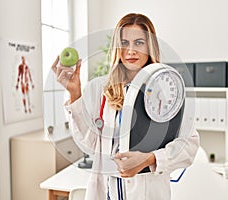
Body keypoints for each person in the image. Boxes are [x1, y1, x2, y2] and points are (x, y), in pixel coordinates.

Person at [52, 13, 199, 200]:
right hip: (107, 192)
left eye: (139, 43)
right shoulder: (99, 88)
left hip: (148, 191)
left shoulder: (167, 89)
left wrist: (151, 159)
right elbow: (90, 144)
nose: (130, 51)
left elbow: (189, 145)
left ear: (150, 47)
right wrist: (75, 94)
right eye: (124, 43)